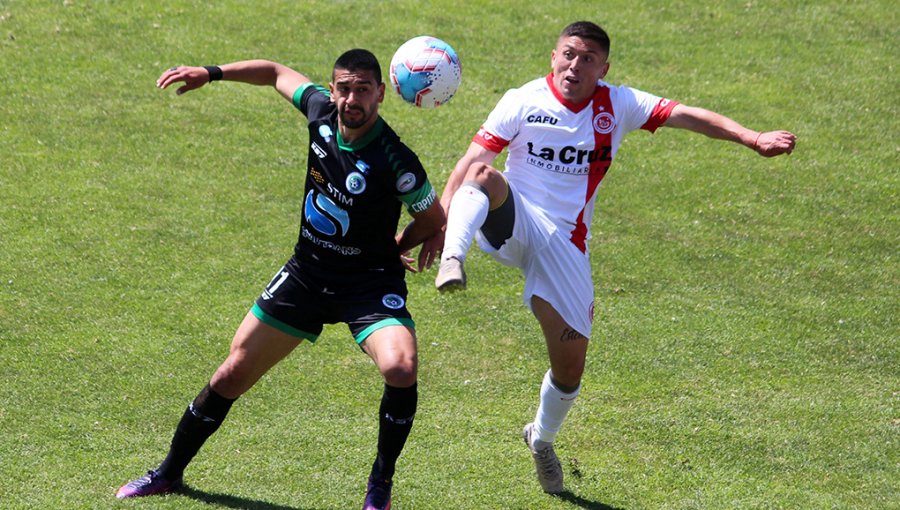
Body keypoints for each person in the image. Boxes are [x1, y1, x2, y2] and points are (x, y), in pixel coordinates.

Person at [431, 21, 796, 494]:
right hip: (514, 219)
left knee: (569, 370)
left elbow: (687, 115)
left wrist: (750, 137)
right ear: (553, 56)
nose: (574, 65)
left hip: (565, 246)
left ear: (603, 68)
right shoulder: (521, 100)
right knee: (484, 174)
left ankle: (540, 440)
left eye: (587, 59)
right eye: (568, 54)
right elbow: (468, 163)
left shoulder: (617, 104)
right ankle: (453, 259)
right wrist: (439, 226)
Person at [117, 50, 444, 510]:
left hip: (367, 285)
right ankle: (167, 473)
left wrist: (397, 246)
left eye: (363, 90)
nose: (352, 99)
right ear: (333, 90)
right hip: (306, 275)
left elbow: (433, 217)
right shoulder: (320, 112)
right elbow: (273, 73)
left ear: (381, 95)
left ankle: (379, 486)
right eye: (345, 88)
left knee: (400, 367)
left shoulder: (396, 159)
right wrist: (210, 74)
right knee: (231, 373)